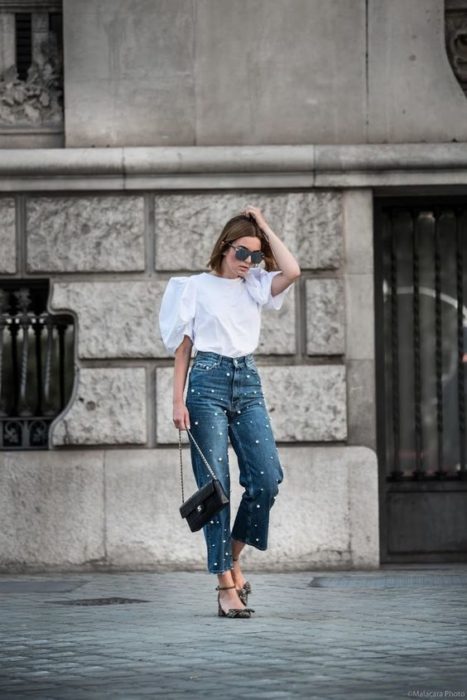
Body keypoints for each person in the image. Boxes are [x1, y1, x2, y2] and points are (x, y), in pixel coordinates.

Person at [159, 205, 301, 618]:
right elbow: (183, 349)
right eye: (243, 254)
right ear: (224, 248)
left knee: (267, 478)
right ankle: (225, 586)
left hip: (248, 382)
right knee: (216, 486)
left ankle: (233, 556)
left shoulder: (255, 285)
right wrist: (177, 400)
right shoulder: (194, 287)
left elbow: (292, 271)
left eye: (256, 257)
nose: (250, 263)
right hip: (206, 382)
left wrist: (264, 227)